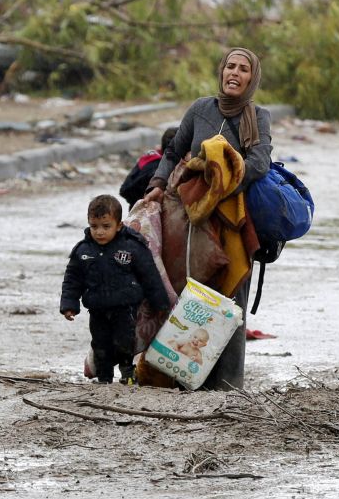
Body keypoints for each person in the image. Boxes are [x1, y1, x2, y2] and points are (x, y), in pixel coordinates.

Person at [141, 47, 273, 390]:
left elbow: (260, 162)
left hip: (234, 221)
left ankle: (227, 384)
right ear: (221, 71)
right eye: (230, 66)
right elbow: (173, 151)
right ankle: (181, 377)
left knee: (231, 297)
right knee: (188, 293)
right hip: (192, 220)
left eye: (244, 69)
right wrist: (157, 184)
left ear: (252, 78)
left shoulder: (258, 116)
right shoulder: (200, 109)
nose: (235, 73)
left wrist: (224, 179)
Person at [60, 194, 170, 384]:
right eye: (94, 226)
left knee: (124, 342)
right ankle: (104, 378)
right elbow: (72, 280)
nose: (99, 232)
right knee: (100, 343)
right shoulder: (83, 251)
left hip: (125, 308)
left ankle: (127, 373)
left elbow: (149, 275)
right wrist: (69, 304)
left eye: (106, 226)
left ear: (119, 225)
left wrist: (160, 303)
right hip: (97, 309)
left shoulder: (132, 247)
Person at [119, 127, 178, 208]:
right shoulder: (161, 171)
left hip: (136, 209)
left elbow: (124, 189)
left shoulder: (150, 157)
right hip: (148, 211)